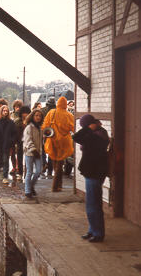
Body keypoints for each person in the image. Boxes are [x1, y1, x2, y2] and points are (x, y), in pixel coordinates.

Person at [73, 114, 109, 243]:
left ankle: (98, 233)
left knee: (93, 204)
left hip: (94, 172)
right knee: (92, 203)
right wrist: (90, 128)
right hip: (93, 172)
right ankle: (92, 230)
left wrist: (88, 129)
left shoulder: (96, 136)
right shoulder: (99, 133)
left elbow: (76, 137)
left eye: (84, 126)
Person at [41, 97, 74, 192]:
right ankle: (56, 186)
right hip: (64, 142)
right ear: (65, 104)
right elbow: (73, 128)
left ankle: (59, 184)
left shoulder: (51, 113)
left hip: (52, 140)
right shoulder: (68, 115)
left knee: (55, 162)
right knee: (60, 163)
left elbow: (45, 126)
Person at [0, 105, 17, 184]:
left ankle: (5, 177)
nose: (5, 112)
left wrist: (11, 141)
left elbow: (14, 133)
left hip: (7, 144)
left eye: (6, 111)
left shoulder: (11, 122)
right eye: (4, 111)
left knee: (6, 160)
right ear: (1, 111)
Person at [22, 109, 44, 198]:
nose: (38, 117)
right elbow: (28, 141)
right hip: (30, 153)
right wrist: (34, 150)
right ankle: (28, 191)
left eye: (40, 116)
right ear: (32, 116)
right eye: (36, 115)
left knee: (39, 171)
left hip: (38, 153)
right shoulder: (29, 127)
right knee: (29, 172)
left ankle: (31, 186)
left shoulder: (40, 128)